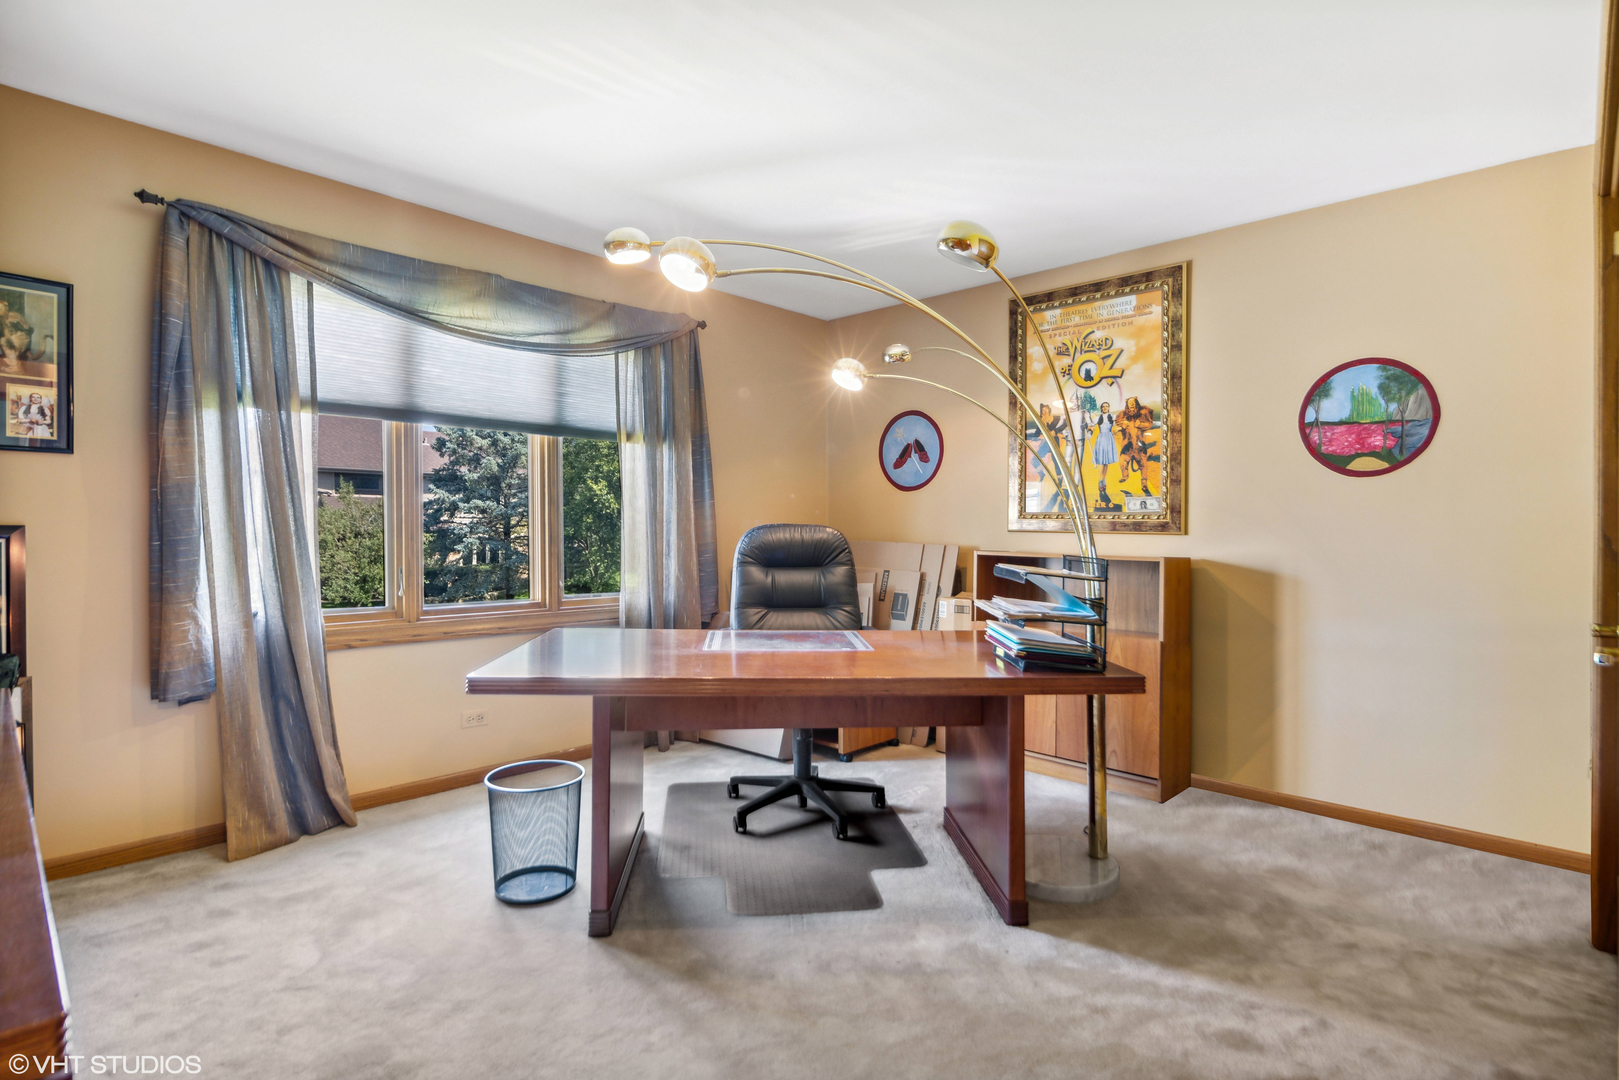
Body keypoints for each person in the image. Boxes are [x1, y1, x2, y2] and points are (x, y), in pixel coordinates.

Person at [1116, 396, 1158, 496]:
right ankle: (1125, 475)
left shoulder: (1142, 412)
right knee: (1122, 460)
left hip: (1139, 444)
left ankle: (1144, 484)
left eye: (1133, 402)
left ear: (1136, 403)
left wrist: (1140, 424)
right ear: (1127, 404)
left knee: (1143, 465)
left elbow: (1149, 424)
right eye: (1129, 402)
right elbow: (1115, 427)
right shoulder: (1122, 415)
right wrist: (1121, 426)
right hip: (1127, 445)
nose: (1131, 404)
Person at [1089, 400, 1120, 509]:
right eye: (1103, 406)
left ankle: (1104, 480)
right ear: (1101, 408)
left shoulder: (1113, 416)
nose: (1105, 408)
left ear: (1109, 407)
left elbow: (1117, 426)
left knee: (1106, 462)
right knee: (1101, 462)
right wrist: (1090, 429)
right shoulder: (1098, 418)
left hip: (1109, 439)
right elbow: (1091, 425)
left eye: (1107, 406)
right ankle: (1099, 481)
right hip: (1101, 439)